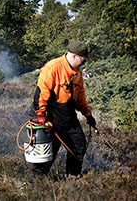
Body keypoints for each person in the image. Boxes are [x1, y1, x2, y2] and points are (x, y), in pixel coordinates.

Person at [30, 41, 97, 177]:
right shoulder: (52, 68)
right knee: (48, 151)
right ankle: (36, 184)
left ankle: (72, 178)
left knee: (79, 145)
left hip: (67, 115)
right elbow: (40, 95)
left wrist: (88, 115)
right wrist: (41, 116)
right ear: (73, 56)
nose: (84, 64)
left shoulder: (77, 74)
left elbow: (80, 99)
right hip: (48, 116)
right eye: (82, 60)